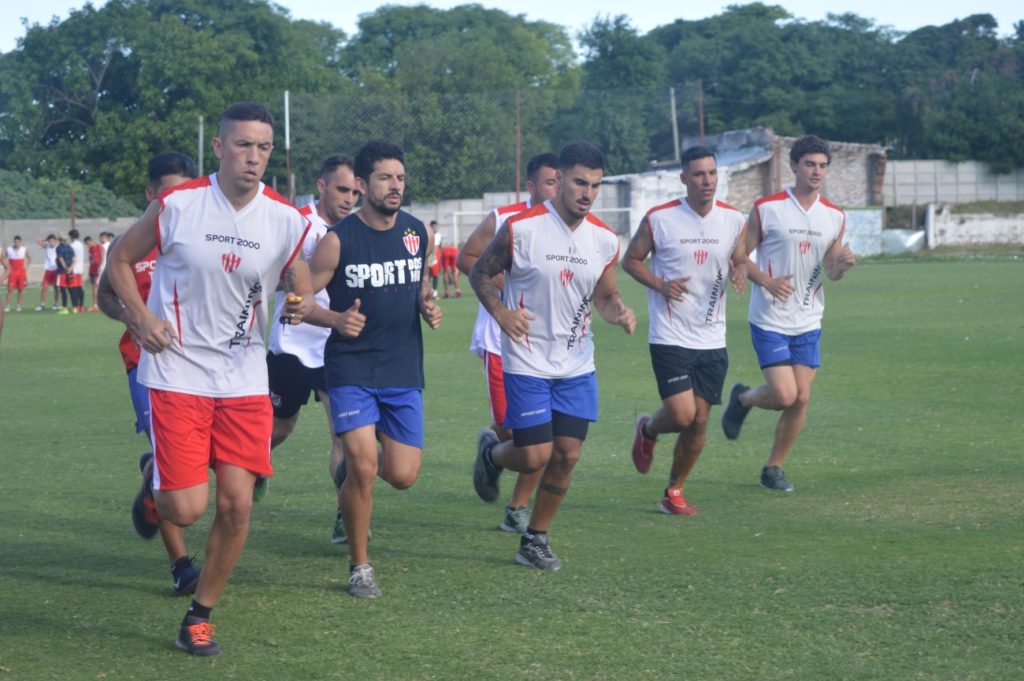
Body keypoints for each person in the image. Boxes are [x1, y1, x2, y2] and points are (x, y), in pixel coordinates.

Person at [105, 102, 312, 656]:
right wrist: (141, 318)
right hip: (176, 372)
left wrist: (299, 300)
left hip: (244, 378)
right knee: (186, 508)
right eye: (243, 145)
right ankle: (157, 494)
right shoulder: (177, 204)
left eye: (264, 148)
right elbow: (119, 261)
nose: (254, 157)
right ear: (219, 147)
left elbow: (301, 275)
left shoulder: (286, 217)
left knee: (237, 506)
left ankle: (200, 617)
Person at [470, 141, 636, 570]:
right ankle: (492, 453)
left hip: (577, 363)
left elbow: (606, 295)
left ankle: (535, 538)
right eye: (580, 182)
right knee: (533, 455)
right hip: (526, 360)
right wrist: (502, 312)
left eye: (595, 185)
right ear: (558, 179)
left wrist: (618, 312)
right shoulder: (521, 229)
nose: (587, 192)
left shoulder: (603, 239)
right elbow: (480, 272)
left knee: (568, 454)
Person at [305, 139, 442, 598]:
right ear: (363, 185)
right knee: (362, 466)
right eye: (385, 178)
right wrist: (334, 319)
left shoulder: (416, 232)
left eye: (400, 177)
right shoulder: (338, 240)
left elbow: (417, 284)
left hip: (403, 369)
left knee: (402, 475)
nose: (395, 186)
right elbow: (297, 300)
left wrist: (426, 303)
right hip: (351, 369)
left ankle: (351, 495)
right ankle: (360, 565)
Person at [720, 135, 856, 492]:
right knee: (784, 396)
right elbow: (738, 255)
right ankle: (744, 398)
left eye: (823, 165)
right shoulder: (768, 208)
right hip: (770, 319)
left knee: (802, 398)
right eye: (810, 164)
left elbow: (830, 270)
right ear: (794, 166)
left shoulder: (835, 216)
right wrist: (765, 281)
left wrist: (842, 266)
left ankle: (773, 469)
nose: (817, 171)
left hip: (808, 319)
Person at [96, 152, 201, 596]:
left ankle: (152, 471)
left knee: (197, 465)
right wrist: (136, 320)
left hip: (202, 369)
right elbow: (104, 298)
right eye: (166, 193)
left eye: (182, 191)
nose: (173, 201)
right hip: (146, 367)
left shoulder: (201, 238)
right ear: (150, 194)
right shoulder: (129, 244)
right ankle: (180, 565)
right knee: (171, 469)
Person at [622, 146, 747, 515]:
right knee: (681, 415)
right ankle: (648, 430)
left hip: (712, 335)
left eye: (711, 174)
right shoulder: (660, 219)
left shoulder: (732, 219)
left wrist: (740, 269)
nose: (706, 181)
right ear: (683, 178)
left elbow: (739, 256)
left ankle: (673, 490)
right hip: (670, 333)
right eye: (698, 174)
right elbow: (630, 260)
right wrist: (660, 285)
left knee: (701, 419)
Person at [456, 152, 559, 533]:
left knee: (545, 436)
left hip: (551, 348)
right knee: (513, 435)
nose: (557, 189)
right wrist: (499, 285)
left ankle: (518, 507)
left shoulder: (569, 228)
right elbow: (467, 257)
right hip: (501, 343)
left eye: (560, 181)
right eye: (550, 182)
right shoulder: (504, 219)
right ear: (532, 186)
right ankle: (493, 452)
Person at [265, 155, 360, 543]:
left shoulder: (358, 230)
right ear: (321, 187)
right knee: (277, 429)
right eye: (342, 189)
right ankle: (248, 462)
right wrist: (293, 287)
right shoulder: (295, 222)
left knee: (345, 435)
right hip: (291, 345)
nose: (349, 199)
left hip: (335, 347)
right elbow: (269, 276)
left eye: (355, 191)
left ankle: (347, 512)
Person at [3, 236, 31, 312]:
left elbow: (30, 258)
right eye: (15, 242)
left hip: (21, 273)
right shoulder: (9, 250)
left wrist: (26, 267)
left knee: (20, 290)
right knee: (10, 289)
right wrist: (6, 267)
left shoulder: (24, 249)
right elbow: (3, 258)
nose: (17, 243)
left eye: (18, 242)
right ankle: (8, 306)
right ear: (13, 242)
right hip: (12, 273)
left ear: (20, 242)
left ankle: (19, 305)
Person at [35, 234, 61, 310]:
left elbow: (61, 239)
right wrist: (46, 239)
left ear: (56, 241)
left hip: (56, 270)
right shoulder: (47, 247)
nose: (51, 242)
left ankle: (56, 304)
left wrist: (56, 239)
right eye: (50, 241)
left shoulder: (58, 247)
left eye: (52, 241)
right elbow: (38, 241)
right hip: (48, 270)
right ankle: (42, 305)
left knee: (56, 288)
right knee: (44, 287)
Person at [55, 234, 75, 314]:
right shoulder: (70, 247)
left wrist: (65, 268)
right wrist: (70, 268)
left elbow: (61, 259)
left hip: (62, 271)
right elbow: (74, 259)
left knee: (63, 290)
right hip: (71, 271)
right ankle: (74, 308)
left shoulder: (59, 248)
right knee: (71, 290)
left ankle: (65, 308)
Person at [68, 229, 86, 313]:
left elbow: (71, 258)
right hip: (80, 269)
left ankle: (75, 306)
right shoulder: (81, 245)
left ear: (71, 236)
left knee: (73, 288)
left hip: (74, 269)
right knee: (79, 288)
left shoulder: (72, 246)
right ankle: (81, 305)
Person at [85, 235, 104, 311]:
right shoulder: (90, 249)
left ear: (90, 241)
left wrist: (99, 267)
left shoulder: (99, 247)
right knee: (93, 287)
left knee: (96, 287)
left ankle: (97, 305)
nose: (87, 245)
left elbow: (102, 258)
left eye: (87, 243)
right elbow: (91, 260)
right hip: (92, 270)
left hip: (97, 271)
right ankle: (95, 304)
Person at [441, 228, 460, 298]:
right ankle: (457, 290)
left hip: (445, 249)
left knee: (445, 272)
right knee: (454, 272)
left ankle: (446, 291)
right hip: (454, 249)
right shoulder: (455, 229)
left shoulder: (441, 230)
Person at [428, 221, 441, 297]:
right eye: (433, 227)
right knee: (427, 275)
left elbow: (439, 247)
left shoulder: (439, 235)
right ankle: (428, 292)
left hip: (435, 257)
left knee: (435, 274)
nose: (435, 228)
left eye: (436, 227)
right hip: (428, 257)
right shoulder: (428, 234)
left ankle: (434, 292)